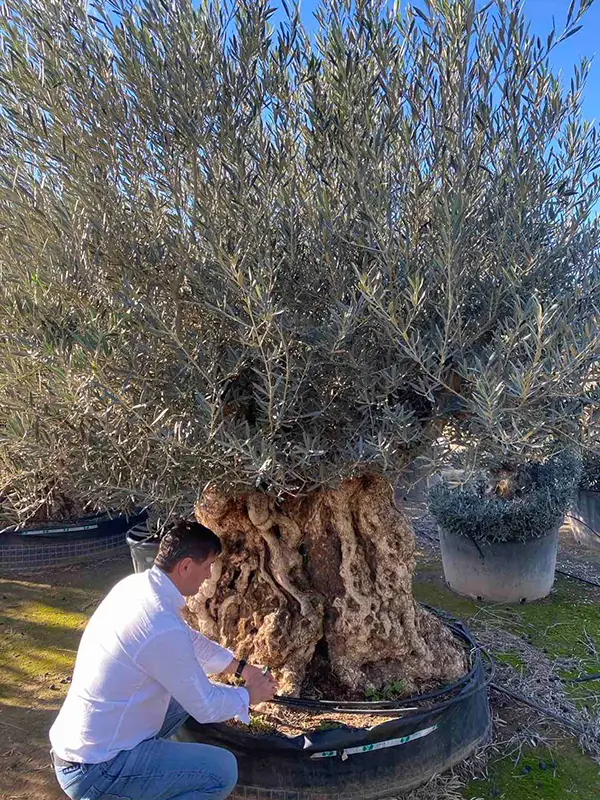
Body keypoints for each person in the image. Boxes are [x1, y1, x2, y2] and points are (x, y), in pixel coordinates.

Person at [49, 518, 278, 800]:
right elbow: (205, 706)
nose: (209, 575)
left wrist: (242, 669)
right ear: (186, 566)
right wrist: (249, 696)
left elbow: (190, 642)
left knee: (182, 700)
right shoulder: (159, 624)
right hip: (97, 770)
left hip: (82, 749)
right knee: (222, 770)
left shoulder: (137, 588)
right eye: (207, 566)